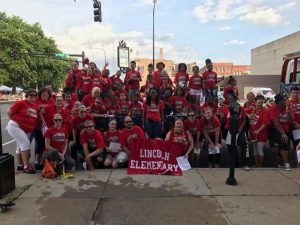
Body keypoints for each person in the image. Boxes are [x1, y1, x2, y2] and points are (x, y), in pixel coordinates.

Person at [6, 89, 38, 173]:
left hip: (23, 129)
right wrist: (16, 121)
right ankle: (26, 166)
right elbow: (9, 113)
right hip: (15, 126)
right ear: (27, 95)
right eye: (31, 95)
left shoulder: (34, 106)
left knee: (20, 146)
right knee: (25, 145)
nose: (33, 96)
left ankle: (20, 165)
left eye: (35, 95)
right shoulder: (21, 103)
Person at [219, 92, 249, 170]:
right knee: (232, 148)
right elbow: (221, 121)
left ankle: (245, 164)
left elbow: (244, 119)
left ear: (235, 99)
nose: (230, 100)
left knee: (244, 145)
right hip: (229, 130)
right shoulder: (225, 109)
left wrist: (240, 129)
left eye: (232, 98)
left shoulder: (240, 107)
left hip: (239, 129)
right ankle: (234, 164)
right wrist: (221, 116)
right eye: (228, 99)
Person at [269, 94, 293, 171]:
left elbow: (290, 121)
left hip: (286, 129)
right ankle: (286, 163)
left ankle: (279, 162)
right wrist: (283, 134)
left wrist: (288, 112)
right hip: (274, 129)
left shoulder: (288, 108)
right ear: (278, 102)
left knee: (287, 145)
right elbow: (276, 123)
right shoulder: (273, 108)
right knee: (284, 141)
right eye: (283, 101)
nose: (285, 102)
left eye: (285, 100)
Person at [248, 96, 270, 167]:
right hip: (252, 134)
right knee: (255, 150)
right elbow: (242, 111)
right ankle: (256, 164)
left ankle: (260, 165)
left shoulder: (264, 111)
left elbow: (265, 123)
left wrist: (258, 130)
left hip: (261, 134)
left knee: (259, 149)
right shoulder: (252, 110)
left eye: (261, 102)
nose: (260, 104)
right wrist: (248, 115)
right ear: (255, 102)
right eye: (258, 102)